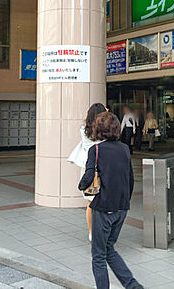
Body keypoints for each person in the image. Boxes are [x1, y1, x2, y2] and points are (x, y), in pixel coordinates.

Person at [78, 112, 142, 289]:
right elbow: (130, 178)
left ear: (98, 129)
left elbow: (88, 177)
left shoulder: (96, 150)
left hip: (104, 207)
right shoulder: (124, 149)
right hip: (122, 208)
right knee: (109, 249)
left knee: (98, 255)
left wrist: (81, 186)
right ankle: (132, 285)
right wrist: (125, 202)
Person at [68, 102, 107, 242]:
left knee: (91, 203)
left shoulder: (84, 129)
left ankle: (92, 232)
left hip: (90, 170)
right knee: (103, 201)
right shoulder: (104, 130)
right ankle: (102, 231)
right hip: (104, 169)